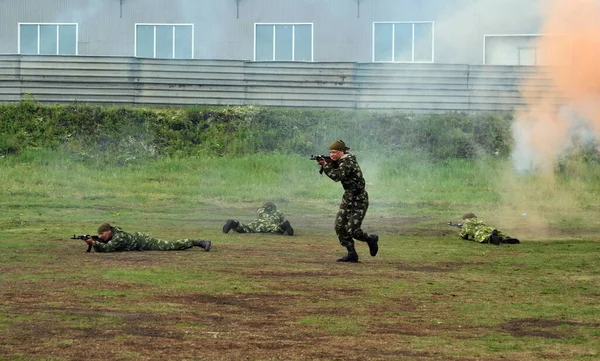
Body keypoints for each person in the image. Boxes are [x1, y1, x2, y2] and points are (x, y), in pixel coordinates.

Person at [315, 140, 379, 262]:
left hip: (359, 199)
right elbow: (336, 167)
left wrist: (325, 165)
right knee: (339, 227)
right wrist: (327, 162)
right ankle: (351, 254)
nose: (332, 155)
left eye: (334, 152)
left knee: (353, 230)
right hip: (348, 197)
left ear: (341, 151)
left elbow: (337, 176)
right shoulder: (341, 161)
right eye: (330, 152)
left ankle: (370, 239)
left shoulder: (348, 162)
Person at [85, 223, 212, 252]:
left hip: (144, 242)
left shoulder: (119, 237)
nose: (102, 236)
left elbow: (108, 248)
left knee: (170, 246)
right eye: (100, 235)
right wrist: (95, 242)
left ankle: (199, 242)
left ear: (109, 231)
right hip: (139, 242)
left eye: (103, 234)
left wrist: (94, 243)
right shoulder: (114, 234)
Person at [222, 202, 294, 236]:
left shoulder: (261, 210)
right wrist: (283, 225)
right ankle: (284, 226)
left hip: (258, 223)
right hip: (270, 224)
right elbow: (282, 219)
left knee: (245, 228)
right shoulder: (278, 212)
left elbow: (259, 212)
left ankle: (235, 223)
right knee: (278, 229)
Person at [451, 213, 520, 245]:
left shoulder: (466, 223)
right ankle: (504, 238)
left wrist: (462, 230)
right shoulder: (479, 220)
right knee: (497, 233)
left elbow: (463, 236)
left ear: (465, 219)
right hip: (488, 228)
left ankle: (492, 237)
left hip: (478, 231)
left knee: (484, 237)